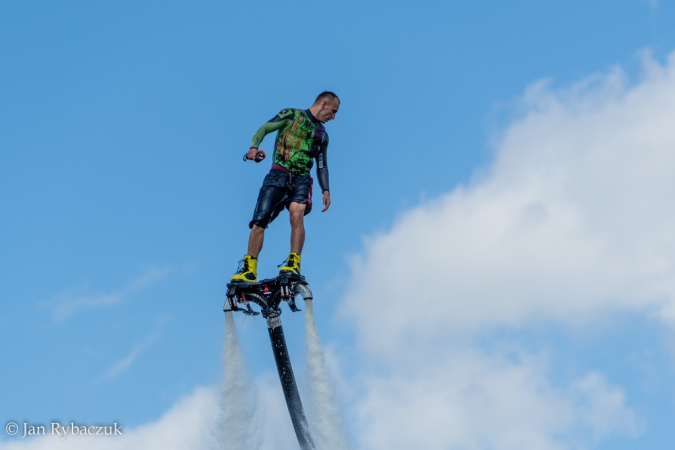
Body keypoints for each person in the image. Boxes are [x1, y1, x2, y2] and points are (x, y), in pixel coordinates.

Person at [231, 91, 340, 283]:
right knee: (259, 221)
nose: (333, 117)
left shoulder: (322, 135)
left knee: (297, 213)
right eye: (333, 111)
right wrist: (253, 147)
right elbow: (264, 128)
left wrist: (326, 190)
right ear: (323, 104)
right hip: (278, 175)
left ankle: (294, 262)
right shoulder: (291, 115)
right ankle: (250, 268)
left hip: (301, 179)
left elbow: (322, 164)